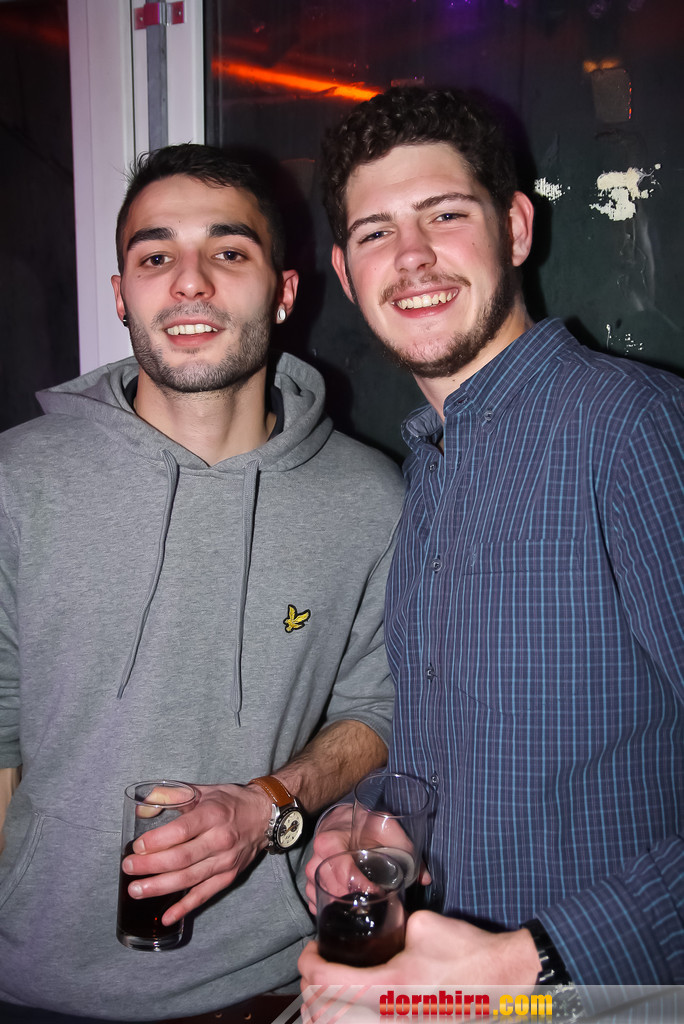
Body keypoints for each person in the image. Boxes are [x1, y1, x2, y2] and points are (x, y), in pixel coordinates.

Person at [0, 143, 405, 1021]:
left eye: (228, 251)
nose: (190, 282)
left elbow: (376, 709)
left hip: (273, 984)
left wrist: (270, 803)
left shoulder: (371, 499)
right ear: (121, 296)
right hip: (32, 986)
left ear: (284, 292)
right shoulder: (16, 480)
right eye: (156, 257)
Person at [299, 86, 684, 1000]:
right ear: (346, 275)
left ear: (514, 228)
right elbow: (458, 751)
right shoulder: (425, 473)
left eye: (444, 214)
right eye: (376, 232)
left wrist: (529, 963)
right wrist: (361, 819)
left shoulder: (638, 432)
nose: (412, 256)